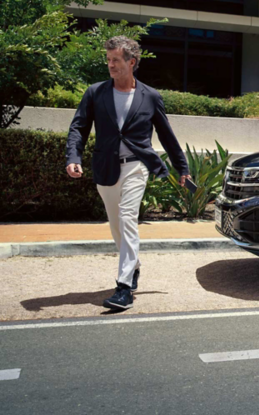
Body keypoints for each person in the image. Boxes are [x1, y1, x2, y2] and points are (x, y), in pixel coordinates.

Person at [65, 36, 191, 311]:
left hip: (137, 165)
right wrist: (73, 157)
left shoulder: (150, 96)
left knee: (127, 219)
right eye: (108, 60)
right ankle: (133, 266)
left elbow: (166, 135)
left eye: (116, 60)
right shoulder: (95, 92)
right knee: (115, 225)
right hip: (106, 167)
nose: (110, 65)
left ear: (132, 62)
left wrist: (183, 168)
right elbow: (79, 127)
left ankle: (123, 288)